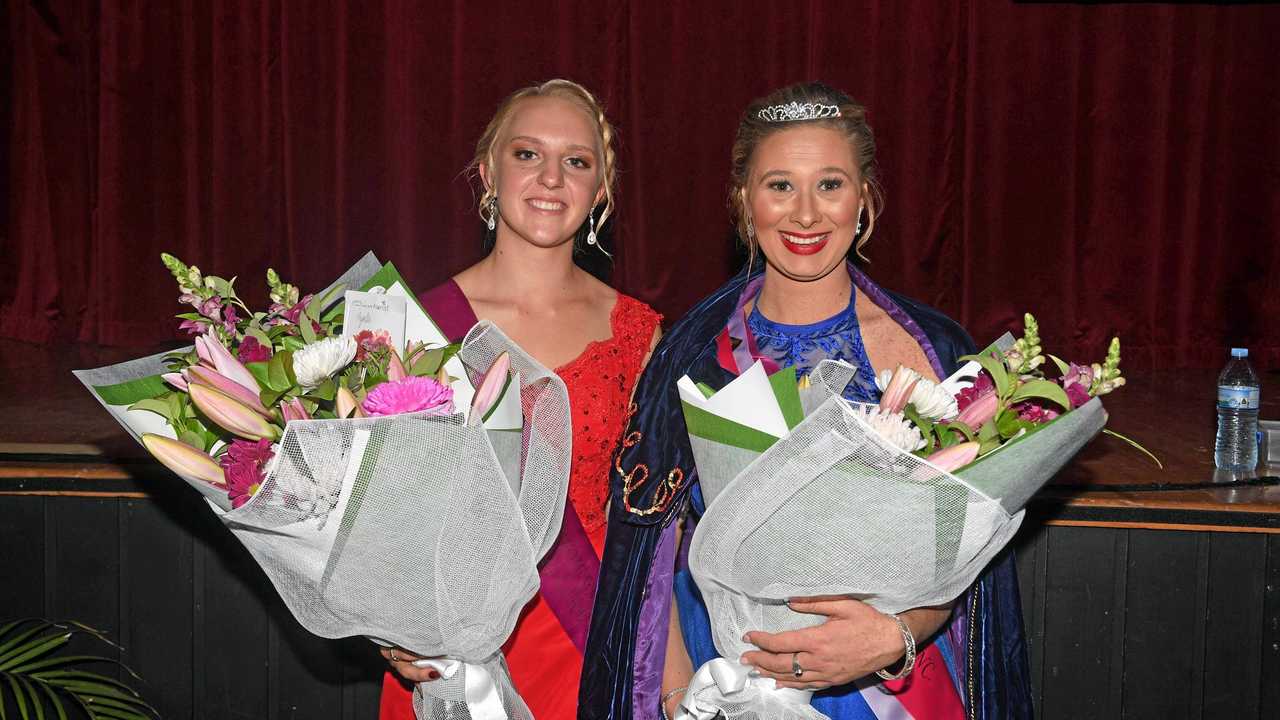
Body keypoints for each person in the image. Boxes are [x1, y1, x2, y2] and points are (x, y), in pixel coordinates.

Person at [580, 82, 1032, 719]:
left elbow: (969, 551)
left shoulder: (931, 350)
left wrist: (896, 634)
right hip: (727, 676)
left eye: (830, 184)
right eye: (779, 186)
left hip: (893, 684)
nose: (806, 214)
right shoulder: (693, 352)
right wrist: (680, 696)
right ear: (744, 200)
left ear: (865, 198)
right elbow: (652, 553)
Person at [378, 79, 661, 720]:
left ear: (601, 191)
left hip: (590, 645)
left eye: (577, 162)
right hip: (444, 653)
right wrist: (386, 626)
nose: (552, 178)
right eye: (528, 154)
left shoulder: (643, 335)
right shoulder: (410, 324)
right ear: (487, 172)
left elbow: (657, 524)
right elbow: (372, 512)